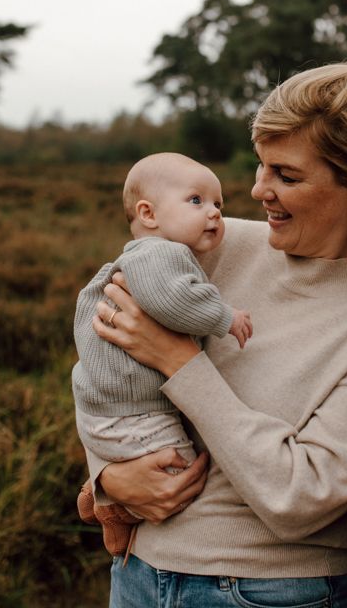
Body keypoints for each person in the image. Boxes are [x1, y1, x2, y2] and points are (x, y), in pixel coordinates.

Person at [84, 51, 347, 607]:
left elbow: (302, 495)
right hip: (138, 575)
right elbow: (105, 358)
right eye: (261, 164)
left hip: (274, 591)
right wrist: (106, 476)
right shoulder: (213, 246)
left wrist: (180, 363)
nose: (258, 189)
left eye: (286, 175)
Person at [71, 152, 252, 554]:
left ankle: (111, 503)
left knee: (155, 466)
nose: (215, 213)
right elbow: (174, 301)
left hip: (108, 406)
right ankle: (115, 511)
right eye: (196, 201)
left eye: (219, 204)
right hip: (137, 408)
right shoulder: (161, 255)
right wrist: (225, 317)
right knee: (180, 470)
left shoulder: (137, 256)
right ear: (148, 214)